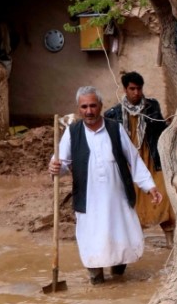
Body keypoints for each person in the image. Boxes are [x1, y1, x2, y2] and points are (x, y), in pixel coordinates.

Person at [49, 86, 162, 284]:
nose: (89, 111)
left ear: (100, 106)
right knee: (92, 240)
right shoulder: (72, 133)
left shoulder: (115, 128)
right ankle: (97, 280)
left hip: (117, 199)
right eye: (84, 107)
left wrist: (149, 186)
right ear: (79, 109)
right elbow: (62, 164)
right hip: (88, 200)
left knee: (120, 240)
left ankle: (119, 279)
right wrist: (55, 167)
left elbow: (134, 160)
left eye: (93, 106)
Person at [104, 71, 176, 247]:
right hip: (128, 163)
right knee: (130, 202)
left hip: (151, 160)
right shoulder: (113, 113)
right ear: (125, 89)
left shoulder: (152, 107)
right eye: (132, 89)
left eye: (139, 88)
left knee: (163, 197)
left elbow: (160, 130)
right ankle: (133, 244)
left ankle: (170, 241)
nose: (136, 92)